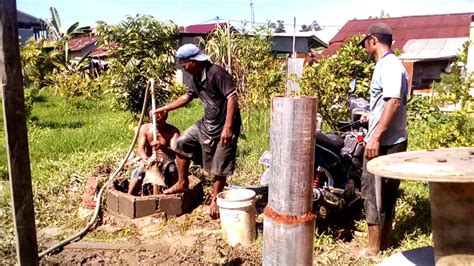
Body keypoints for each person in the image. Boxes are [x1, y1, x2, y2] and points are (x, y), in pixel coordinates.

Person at [155, 44, 241, 219]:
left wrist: (228, 127)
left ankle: (215, 199)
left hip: (224, 126)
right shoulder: (195, 77)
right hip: (206, 124)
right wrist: (166, 108)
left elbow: (232, 96)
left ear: (192, 61)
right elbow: (187, 97)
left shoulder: (216, 73)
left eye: (183, 64)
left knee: (220, 164)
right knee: (182, 143)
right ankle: (182, 181)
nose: (183, 67)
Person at [352, 22, 409, 257]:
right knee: (385, 194)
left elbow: (394, 102)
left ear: (373, 40)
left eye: (365, 43)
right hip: (392, 137)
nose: (365, 48)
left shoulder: (389, 66)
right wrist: (372, 115)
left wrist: (374, 137)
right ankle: (384, 243)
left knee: (372, 192)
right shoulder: (394, 66)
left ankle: (373, 248)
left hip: (384, 142)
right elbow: (389, 103)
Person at [128, 107, 180, 195]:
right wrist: (146, 160)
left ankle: (175, 194)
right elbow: (140, 149)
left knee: (173, 170)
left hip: (167, 161)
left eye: (158, 115)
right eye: (152, 116)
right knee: (137, 173)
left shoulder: (173, 132)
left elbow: (176, 153)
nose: (155, 117)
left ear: (165, 115)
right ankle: (129, 197)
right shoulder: (145, 129)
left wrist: (162, 147)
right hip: (149, 160)